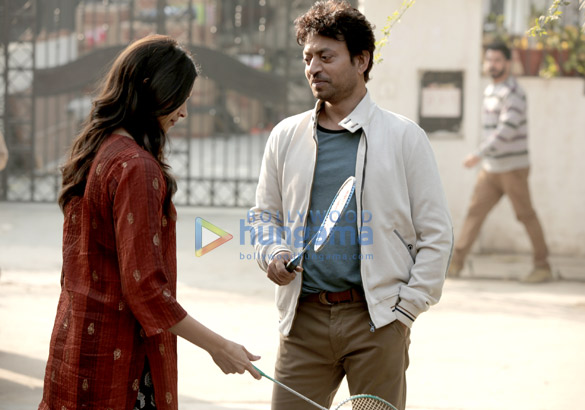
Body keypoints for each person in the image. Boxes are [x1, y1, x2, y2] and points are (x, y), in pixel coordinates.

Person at [248, 2, 453, 409]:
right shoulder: (286, 136)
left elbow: (436, 233)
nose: (313, 68)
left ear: (361, 61)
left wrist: (405, 311)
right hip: (302, 321)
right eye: (308, 57)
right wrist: (272, 251)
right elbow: (264, 216)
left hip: (377, 320)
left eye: (326, 57)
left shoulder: (404, 137)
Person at [39, 34, 260, 410]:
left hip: (78, 345)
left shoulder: (97, 149)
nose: (184, 112)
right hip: (121, 362)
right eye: (180, 97)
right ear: (151, 90)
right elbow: (146, 290)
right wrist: (219, 347)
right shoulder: (136, 166)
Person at [447, 42, 552, 283]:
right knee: (474, 213)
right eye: (489, 60)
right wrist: (484, 157)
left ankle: (543, 266)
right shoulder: (490, 90)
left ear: (507, 63)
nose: (492, 65)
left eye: (497, 60)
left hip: (513, 169)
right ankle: (455, 264)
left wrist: (478, 154)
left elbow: (507, 130)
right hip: (491, 169)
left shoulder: (513, 92)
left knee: (525, 215)